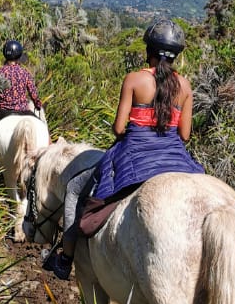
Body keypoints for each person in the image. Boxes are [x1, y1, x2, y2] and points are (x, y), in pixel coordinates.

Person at [43, 18, 204, 279]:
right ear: (176, 55)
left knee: (74, 189)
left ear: (149, 50)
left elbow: (119, 128)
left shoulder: (134, 80)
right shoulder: (185, 87)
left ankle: (65, 258)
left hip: (135, 154)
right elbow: (184, 135)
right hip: (175, 157)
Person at [0, 39, 43, 123]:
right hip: (23, 111)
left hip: (3, 112)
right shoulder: (24, 72)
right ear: (19, 55)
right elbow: (33, 93)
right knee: (43, 129)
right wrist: (37, 105)